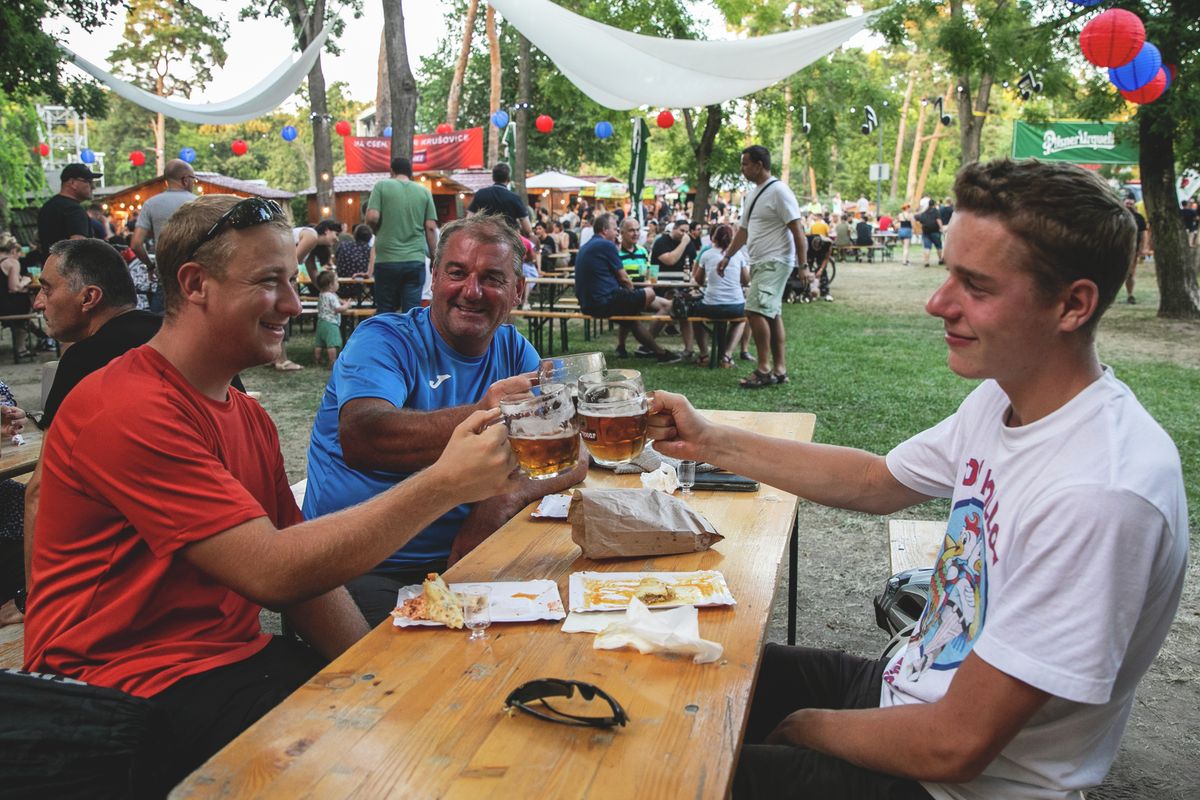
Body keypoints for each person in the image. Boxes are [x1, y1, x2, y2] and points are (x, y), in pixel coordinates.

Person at [647, 159, 1188, 800]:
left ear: (1073, 305)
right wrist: (708, 439)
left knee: (662, 779)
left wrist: (802, 727)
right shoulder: (1006, 395)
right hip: (900, 692)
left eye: (976, 286)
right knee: (671, 668)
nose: (938, 302)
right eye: (948, 272)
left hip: (956, 786)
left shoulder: (1100, 494)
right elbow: (877, 481)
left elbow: (953, 746)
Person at [23, 194, 517, 794]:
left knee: (444, 712)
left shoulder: (245, 414)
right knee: (397, 770)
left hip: (227, 665)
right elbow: (275, 574)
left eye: (293, 280)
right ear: (195, 283)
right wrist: (445, 484)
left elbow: (306, 584)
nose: (293, 302)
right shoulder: (128, 407)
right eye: (270, 282)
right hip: (118, 692)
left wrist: (376, 672)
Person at [302, 214, 586, 627]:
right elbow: (364, 436)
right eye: (457, 273)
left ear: (518, 290)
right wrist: (483, 411)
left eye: (492, 277)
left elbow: (572, 450)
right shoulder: (384, 339)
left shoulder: (513, 349)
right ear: (433, 278)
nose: (471, 291)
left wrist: (498, 502)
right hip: (363, 566)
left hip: (468, 554)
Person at [719, 145, 806, 389]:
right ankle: (779, 369)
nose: (742, 168)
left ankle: (764, 368)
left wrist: (804, 264)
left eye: (745, 164)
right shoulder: (754, 193)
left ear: (759, 165)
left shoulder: (779, 191)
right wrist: (727, 257)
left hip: (775, 261)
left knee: (755, 311)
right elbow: (743, 231)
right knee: (771, 313)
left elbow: (797, 229)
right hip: (760, 262)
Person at [574, 214, 677, 362]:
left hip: (587, 303)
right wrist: (636, 295)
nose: (616, 233)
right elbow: (624, 278)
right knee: (649, 293)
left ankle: (659, 352)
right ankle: (655, 350)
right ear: (604, 230)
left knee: (632, 318)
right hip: (604, 301)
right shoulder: (606, 245)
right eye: (615, 229)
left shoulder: (586, 246)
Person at [366, 156, 438, 314]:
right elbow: (431, 228)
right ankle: (410, 338)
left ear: (391, 171)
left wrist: (376, 230)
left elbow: (372, 217)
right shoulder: (424, 192)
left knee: (385, 310)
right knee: (411, 311)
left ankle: (386, 339)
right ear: (410, 173)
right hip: (414, 259)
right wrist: (434, 257)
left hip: (386, 259)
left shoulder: (382, 186)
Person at [131, 158, 198, 312]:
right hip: (194, 275)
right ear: (185, 180)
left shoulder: (151, 204)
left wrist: (150, 266)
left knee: (160, 321)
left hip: (165, 274)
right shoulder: (198, 203)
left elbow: (135, 244)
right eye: (193, 179)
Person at [681, 223, 748, 367]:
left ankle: (704, 354)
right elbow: (746, 279)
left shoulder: (707, 254)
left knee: (695, 317)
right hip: (735, 304)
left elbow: (698, 280)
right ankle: (727, 355)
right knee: (741, 320)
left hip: (711, 305)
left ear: (714, 238)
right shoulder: (739, 255)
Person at [37, 164, 98, 255]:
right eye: (88, 181)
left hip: (49, 266)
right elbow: (79, 250)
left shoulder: (47, 207)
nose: (93, 187)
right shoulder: (75, 210)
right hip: (70, 268)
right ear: (73, 183)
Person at [468, 162, 535, 238]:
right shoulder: (515, 198)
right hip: (508, 239)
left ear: (493, 178)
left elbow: (469, 218)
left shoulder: (480, 194)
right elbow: (525, 223)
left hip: (484, 238)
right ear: (508, 178)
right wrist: (531, 233)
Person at [0, 234, 33, 359]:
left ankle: (25, 344)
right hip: (8, 307)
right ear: (13, 250)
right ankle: (21, 348)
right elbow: (13, 288)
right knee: (27, 301)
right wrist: (25, 281)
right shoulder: (12, 262)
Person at [313, 270, 351, 367]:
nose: (338, 284)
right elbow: (338, 309)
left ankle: (317, 360)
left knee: (319, 344)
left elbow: (337, 300)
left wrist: (343, 301)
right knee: (332, 344)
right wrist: (346, 305)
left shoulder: (322, 294)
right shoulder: (332, 296)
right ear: (331, 285)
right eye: (337, 281)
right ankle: (333, 361)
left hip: (321, 322)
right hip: (331, 323)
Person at [1123, 196, 1147, 304]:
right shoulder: (1117, 216)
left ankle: (1130, 295)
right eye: (1127, 203)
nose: (1129, 206)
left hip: (1133, 250)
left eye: (1130, 204)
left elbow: (1143, 234)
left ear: (1134, 204)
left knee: (1130, 274)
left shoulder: (1139, 218)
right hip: (1118, 249)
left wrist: (1142, 249)